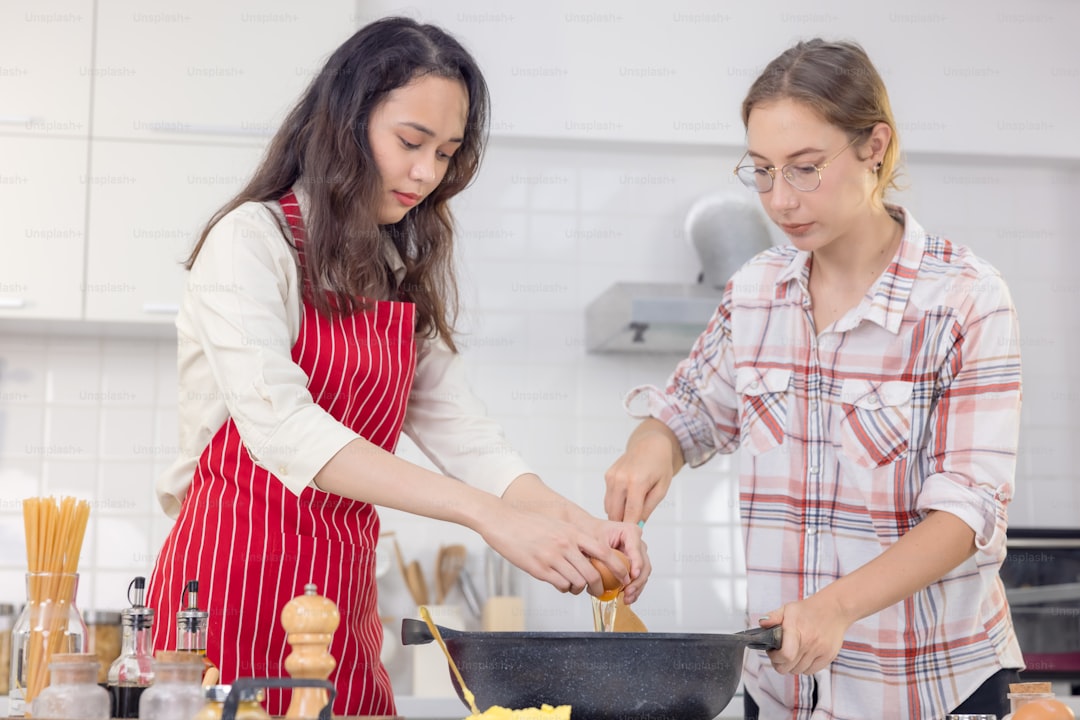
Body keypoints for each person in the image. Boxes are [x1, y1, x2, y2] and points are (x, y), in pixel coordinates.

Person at [146, 17, 648, 717]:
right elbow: (285, 428)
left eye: (445, 153)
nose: (426, 173)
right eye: (410, 143)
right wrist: (486, 518)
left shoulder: (394, 274)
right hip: (225, 601)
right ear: (343, 123)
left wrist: (576, 525)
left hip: (340, 609)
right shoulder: (249, 243)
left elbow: (467, 438)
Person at [603, 39, 1023, 720]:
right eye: (763, 172)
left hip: (931, 693)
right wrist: (650, 447)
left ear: (874, 147)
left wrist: (836, 608)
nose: (781, 199)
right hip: (782, 696)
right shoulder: (756, 291)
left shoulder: (965, 298)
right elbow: (687, 414)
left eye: (804, 169)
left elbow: (966, 513)